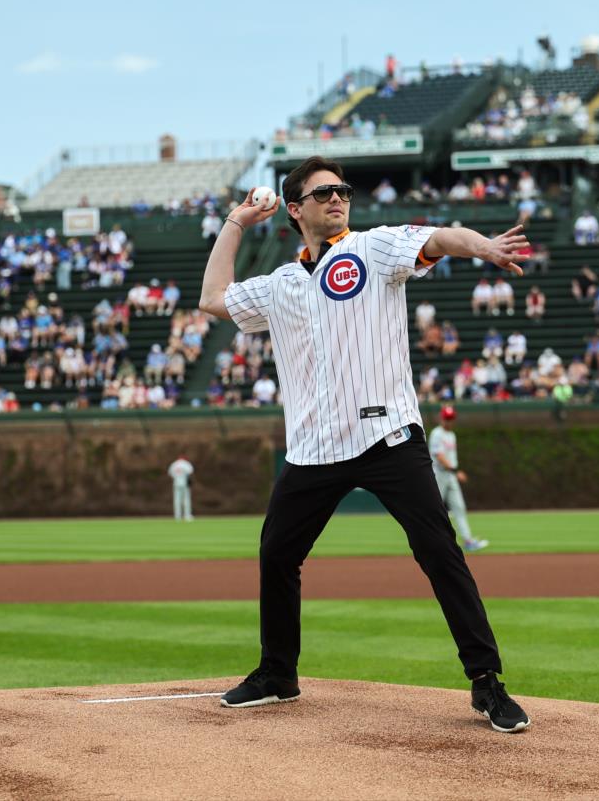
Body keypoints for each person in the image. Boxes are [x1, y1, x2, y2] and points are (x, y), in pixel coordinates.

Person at [197, 155, 530, 731]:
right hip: (313, 448)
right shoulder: (280, 285)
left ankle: (487, 683)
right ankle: (278, 673)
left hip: (387, 435)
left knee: (439, 552)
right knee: (277, 553)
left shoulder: (374, 249)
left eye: (343, 190)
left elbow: (441, 237)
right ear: (295, 209)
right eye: (323, 192)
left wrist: (483, 248)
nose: (337, 198)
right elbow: (212, 299)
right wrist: (235, 222)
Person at [428, 405, 488, 552]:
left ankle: (468, 541)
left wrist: (454, 472)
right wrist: (456, 470)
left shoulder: (451, 435)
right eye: (446, 418)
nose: (449, 421)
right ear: (441, 418)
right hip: (439, 474)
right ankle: (428, 541)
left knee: (459, 507)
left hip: (450, 475)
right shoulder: (437, 433)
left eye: (451, 418)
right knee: (434, 510)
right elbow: (439, 456)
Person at [168, 454, 195, 521]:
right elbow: (190, 471)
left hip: (176, 483)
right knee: (186, 500)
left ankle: (177, 516)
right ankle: (187, 516)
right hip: (184, 483)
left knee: (177, 500)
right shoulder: (186, 464)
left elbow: (170, 473)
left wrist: (176, 477)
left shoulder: (174, 464)